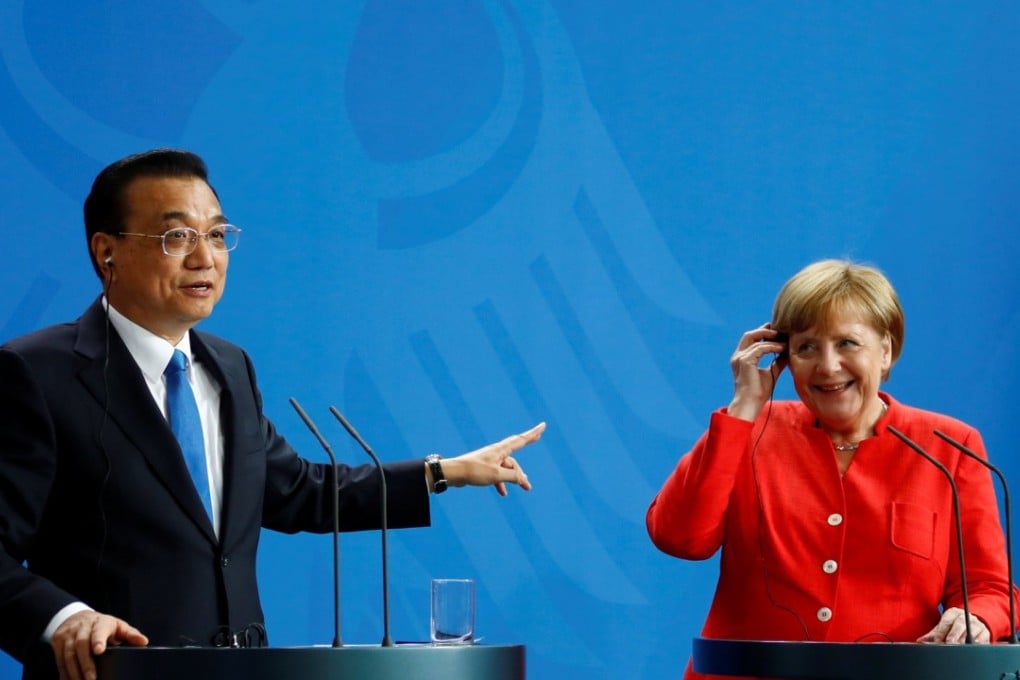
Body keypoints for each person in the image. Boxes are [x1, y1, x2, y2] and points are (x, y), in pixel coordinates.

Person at [0, 149, 545, 680]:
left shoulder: (229, 368)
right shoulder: (37, 372)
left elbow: (297, 491)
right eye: (176, 236)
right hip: (114, 671)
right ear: (106, 252)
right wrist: (65, 619)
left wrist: (440, 472)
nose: (204, 257)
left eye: (216, 235)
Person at [646, 259, 1017, 680]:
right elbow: (679, 538)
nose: (827, 366)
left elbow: (990, 588)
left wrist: (977, 617)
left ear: (886, 351)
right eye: (806, 347)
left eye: (847, 344)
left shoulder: (950, 446)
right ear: (781, 356)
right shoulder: (746, 430)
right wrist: (742, 410)